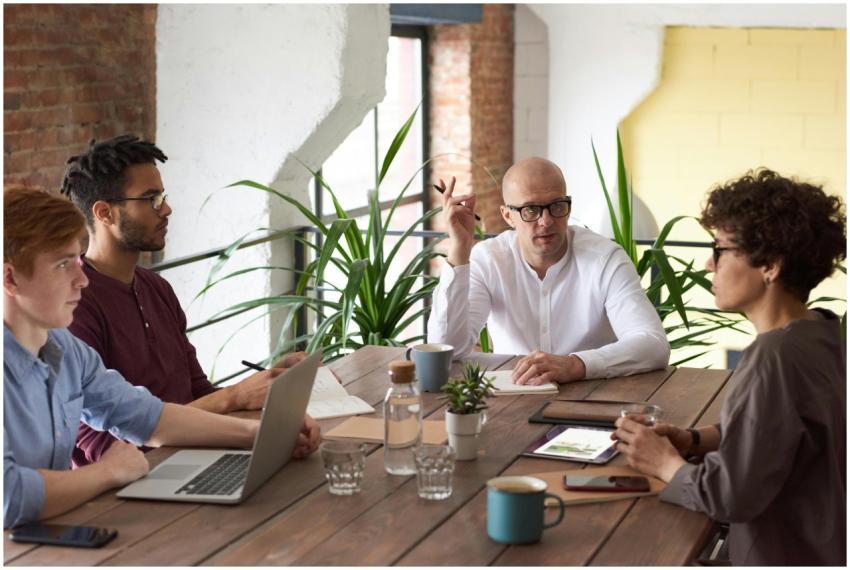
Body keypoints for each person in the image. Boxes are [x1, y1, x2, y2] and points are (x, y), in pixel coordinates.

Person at [3, 186, 320, 529]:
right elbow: (8, 498)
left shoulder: (66, 350)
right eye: (62, 265)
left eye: (78, 260)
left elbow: (147, 418)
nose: (81, 279)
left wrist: (262, 434)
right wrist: (107, 473)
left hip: (46, 538)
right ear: (10, 278)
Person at [612, 169, 846, 566]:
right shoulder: (822, 332)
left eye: (720, 249)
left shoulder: (775, 357)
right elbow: (781, 431)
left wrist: (664, 462)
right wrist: (695, 440)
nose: (708, 263)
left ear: (770, 264)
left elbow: (730, 496)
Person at [59, 135, 316, 466]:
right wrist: (235, 398)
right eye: (151, 200)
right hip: (130, 486)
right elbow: (101, 448)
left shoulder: (156, 288)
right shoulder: (73, 304)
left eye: (163, 196)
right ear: (105, 213)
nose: (166, 209)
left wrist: (265, 395)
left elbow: (198, 392)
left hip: (195, 456)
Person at [428, 157, 669, 385]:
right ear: (508, 216)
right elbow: (446, 349)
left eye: (556, 206)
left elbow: (653, 344)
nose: (546, 221)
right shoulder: (489, 259)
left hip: (591, 396)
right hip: (514, 398)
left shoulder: (605, 259)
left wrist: (576, 365)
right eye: (531, 210)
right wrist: (459, 249)